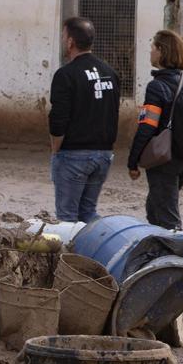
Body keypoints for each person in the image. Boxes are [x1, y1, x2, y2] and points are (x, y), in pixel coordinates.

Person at [48, 17, 120, 222]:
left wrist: (56, 149)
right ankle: (97, 241)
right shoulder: (110, 73)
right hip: (104, 154)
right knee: (88, 212)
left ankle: (72, 245)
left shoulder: (65, 74)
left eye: (64, 36)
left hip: (74, 155)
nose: (63, 40)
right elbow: (113, 111)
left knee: (67, 216)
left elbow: (58, 118)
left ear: (71, 42)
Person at [128, 29, 183, 230]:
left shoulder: (156, 87)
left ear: (161, 51)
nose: (150, 52)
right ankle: (159, 244)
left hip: (165, 159)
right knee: (154, 208)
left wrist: (133, 160)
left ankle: (178, 248)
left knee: (167, 217)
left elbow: (147, 127)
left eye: (153, 47)